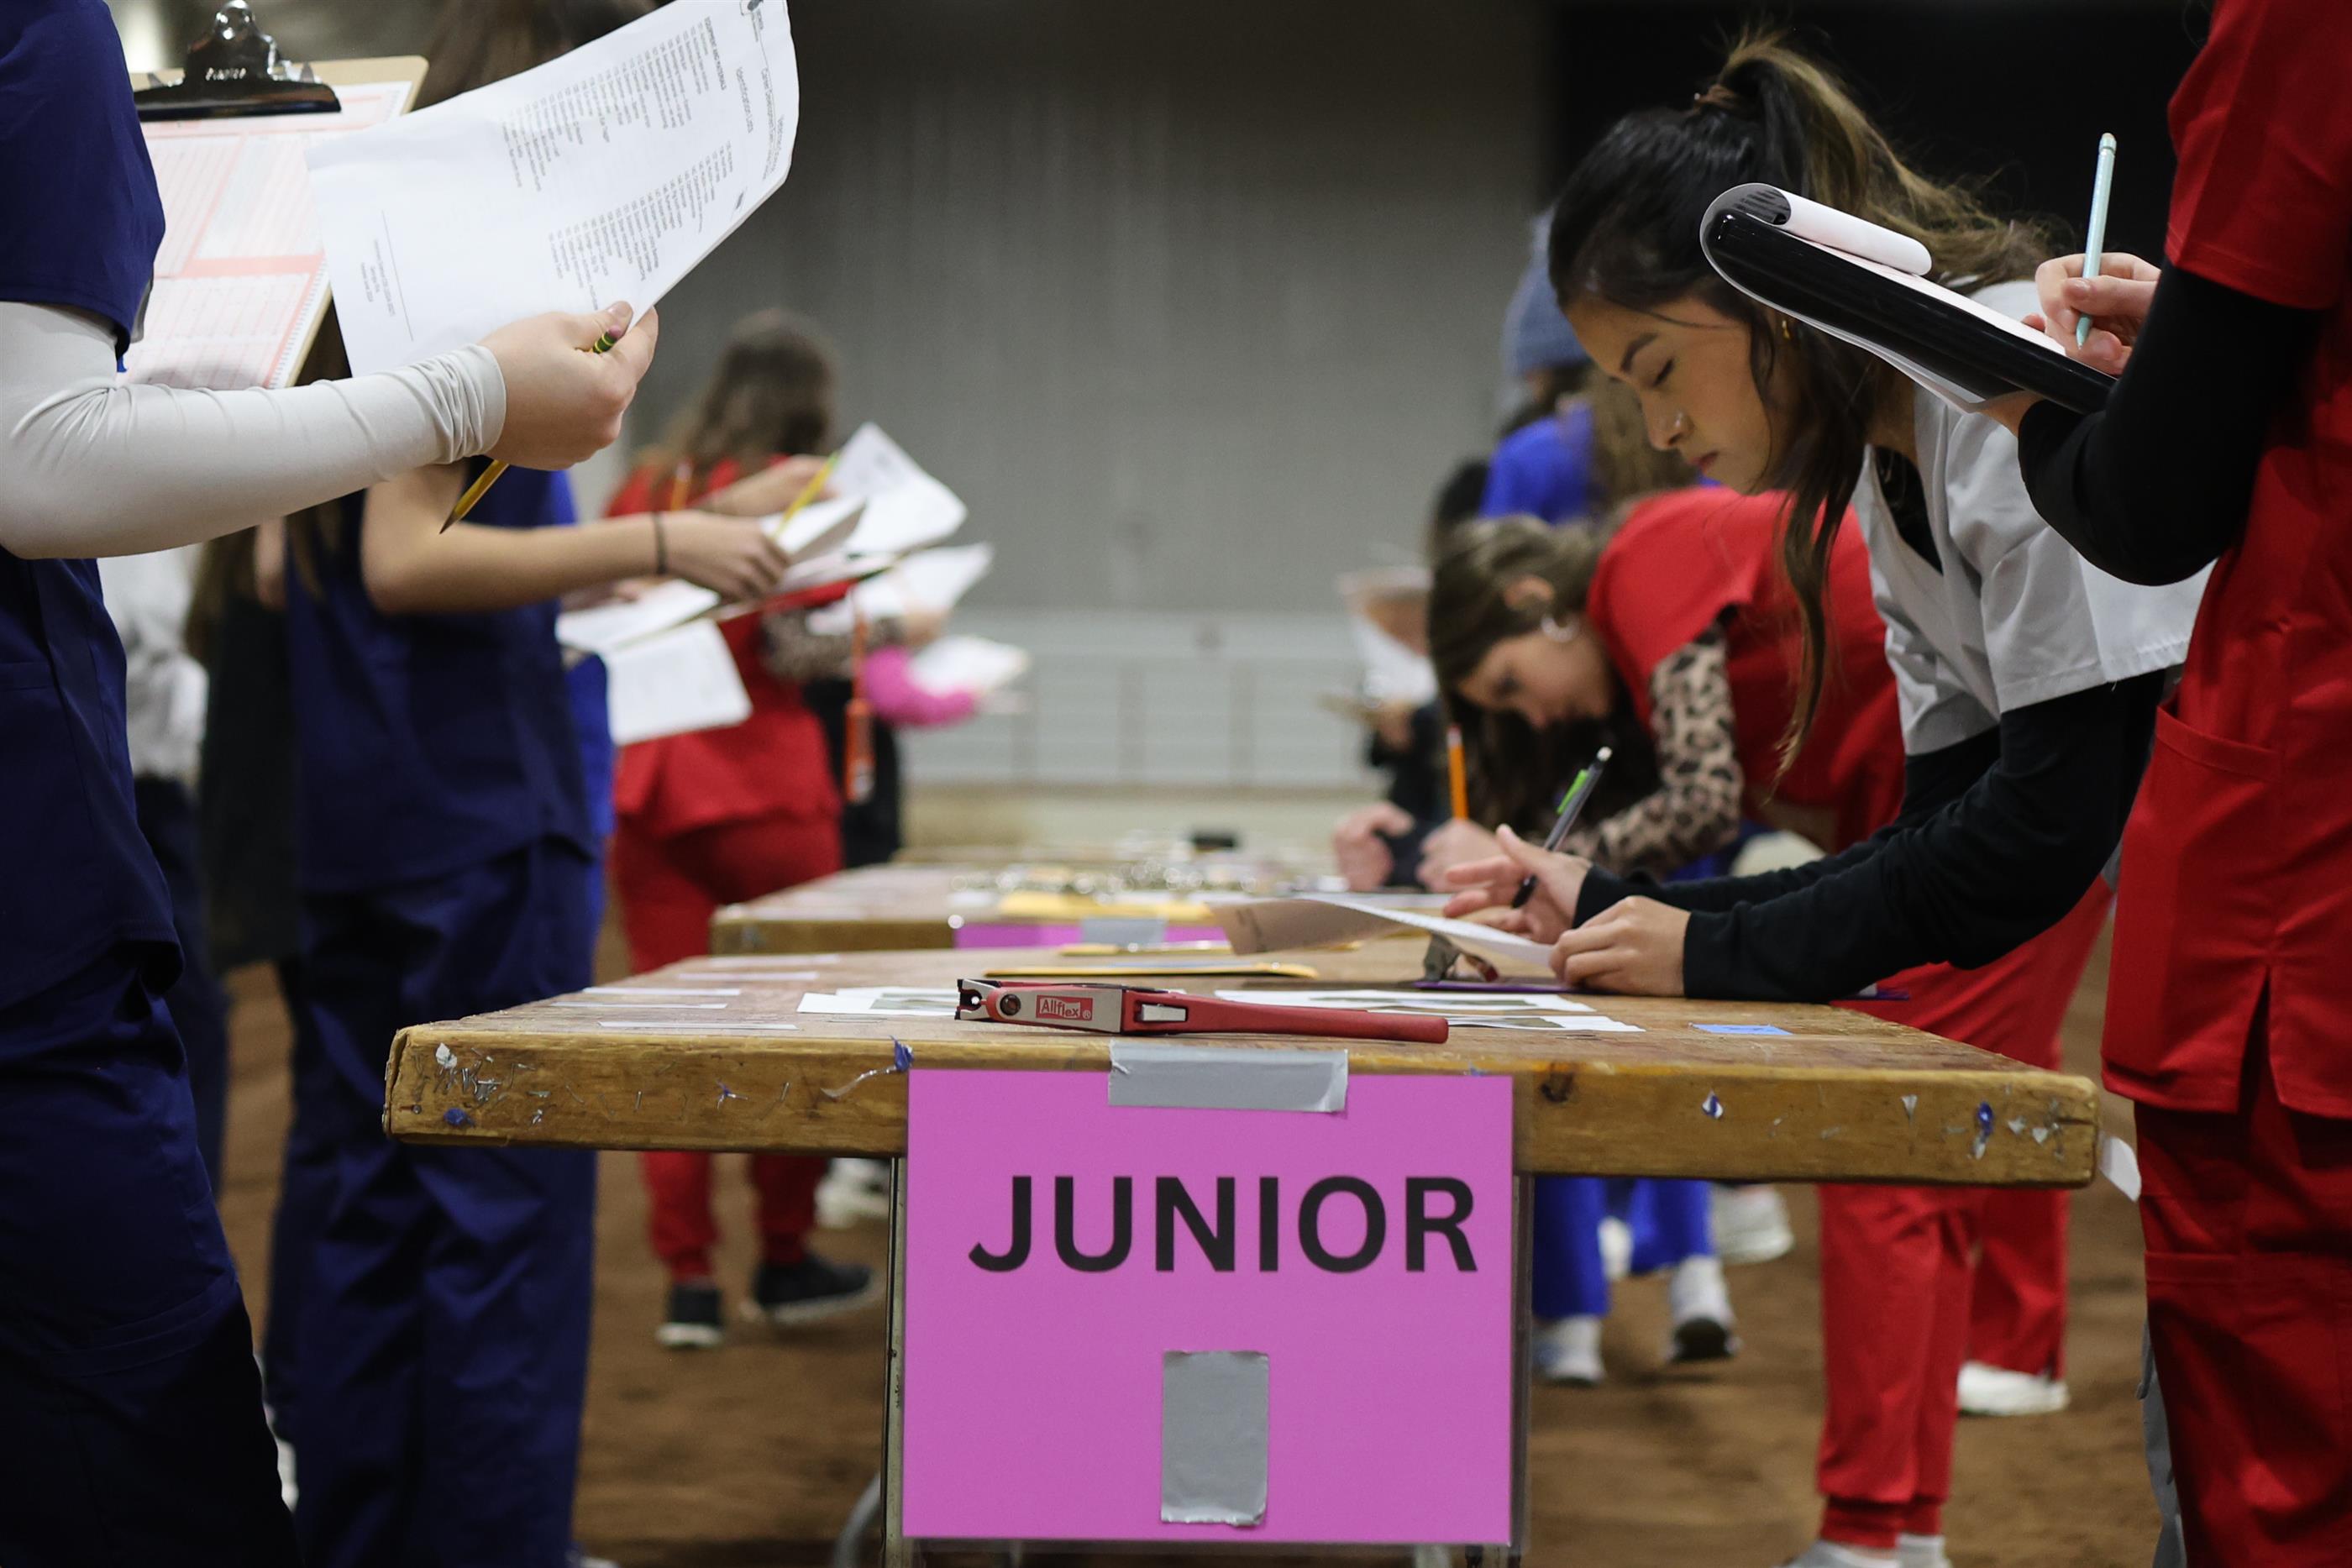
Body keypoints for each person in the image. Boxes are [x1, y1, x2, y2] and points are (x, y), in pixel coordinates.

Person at [1441, 34, 2205, 1568]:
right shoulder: (1891, 460)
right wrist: (1630, 909)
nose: (1658, 433)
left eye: (1660, 369)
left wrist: (1701, 944)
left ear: (1771, 295)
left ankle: (1882, 1527)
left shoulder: (1995, 394)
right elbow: (1936, 844)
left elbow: (2031, 840)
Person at [0, 1, 655, 1559]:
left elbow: (271, 567)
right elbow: (55, 462)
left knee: (359, 1195)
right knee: (482, 1216)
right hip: (441, 795)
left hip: (351, 800)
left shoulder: (355, 252)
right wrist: (650, 533)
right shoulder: (481, 274)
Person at [1987, 0, 2352, 1555]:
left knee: (2284, 1485)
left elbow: (2148, 505)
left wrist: (2026, 401)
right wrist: (2216, 335)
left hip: (2310, 880)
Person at [604, 310, 877, 1349]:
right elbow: (801, 648)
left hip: (650, 787)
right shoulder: (798, 490)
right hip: (766, 787)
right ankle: (784, 1257)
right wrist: (882, 623)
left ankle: (687, 1283)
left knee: (669, 1033)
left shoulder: (649, 490)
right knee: (794, 1029)